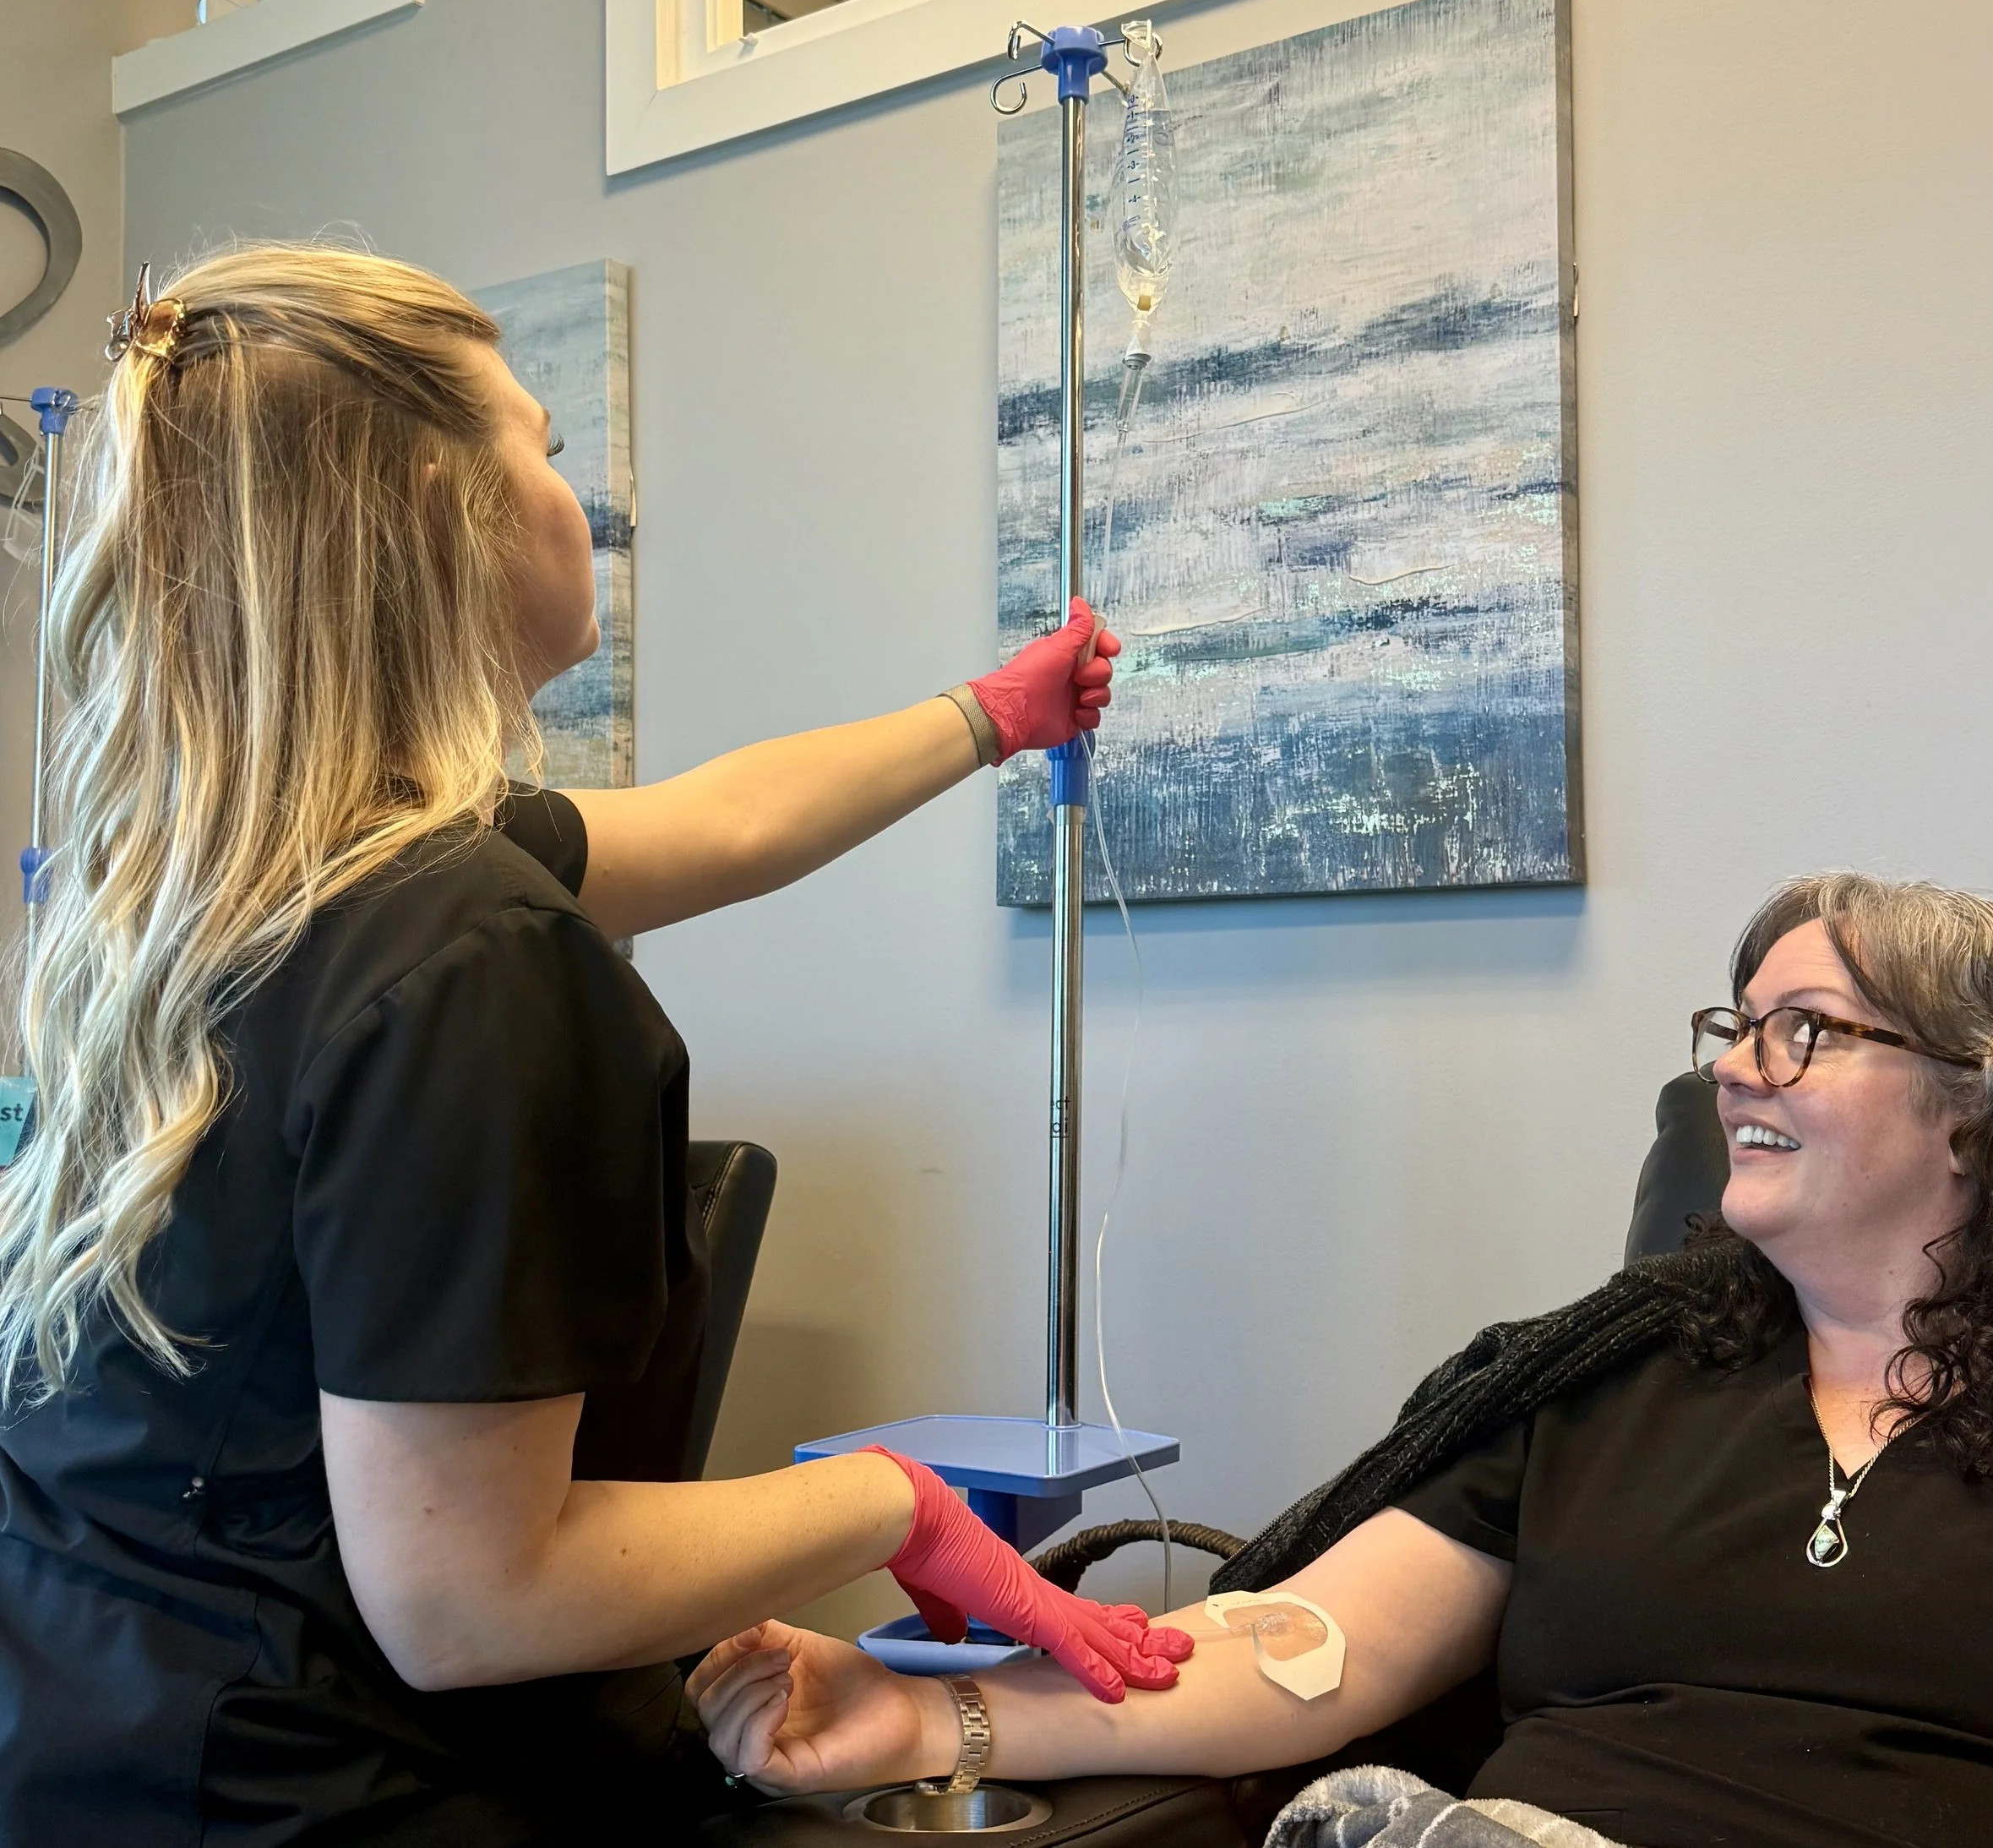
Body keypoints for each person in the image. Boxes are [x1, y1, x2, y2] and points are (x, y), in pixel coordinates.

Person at [0, 246, 1190, 1846]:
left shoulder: (239, 874)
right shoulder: (463, 947)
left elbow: (723, 823)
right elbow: (466, 1600)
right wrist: (895, 1500)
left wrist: (993, 713)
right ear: (441, 514)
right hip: (301, 1787)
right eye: (544, 448)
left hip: (85, 1721)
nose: (582, 505)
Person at [694, 873, 1993, 1848]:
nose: (1740, 1066)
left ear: (1984, 1102)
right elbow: (1300, 1653)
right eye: (1738, 1027)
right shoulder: (1608, 1379)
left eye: (1806, 1031)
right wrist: (921, 1715)